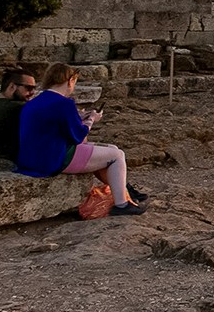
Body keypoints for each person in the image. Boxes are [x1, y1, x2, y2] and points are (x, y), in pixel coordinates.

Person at [17, 63, 146, 215]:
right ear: (70, 80)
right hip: (52, 160)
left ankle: (124, 191)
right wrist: (91, 119)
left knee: (111, 149)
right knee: (118, 156)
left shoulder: (35, 102)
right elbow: (78, 136)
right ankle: (122, 205)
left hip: (31, 158)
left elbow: (53, 125)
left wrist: (78, 117)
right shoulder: (64, 103)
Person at [0, 68, 37, 163]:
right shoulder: (15, 108)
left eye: (34, 88)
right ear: (12, 87)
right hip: (21, 159)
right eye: (29, 88)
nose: (32, 92)